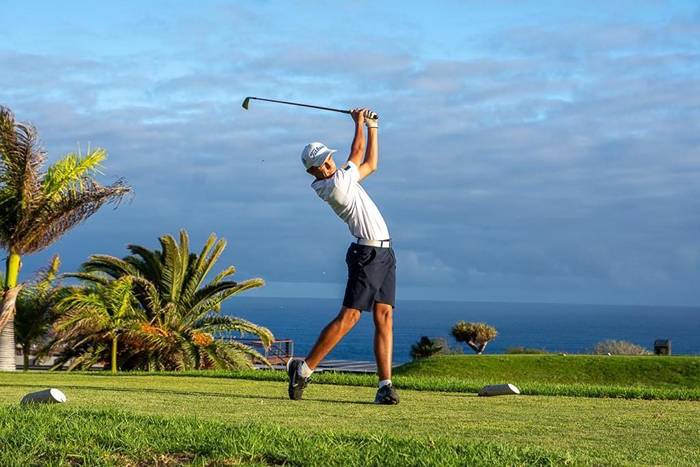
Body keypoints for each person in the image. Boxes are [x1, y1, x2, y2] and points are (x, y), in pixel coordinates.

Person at [287, 108, 399, 405]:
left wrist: (373, 125)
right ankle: (304, 369)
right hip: (367, 254)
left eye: (328, 158)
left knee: (384, 317)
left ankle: (385, 386)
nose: (327, 164)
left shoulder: (343, 178)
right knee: (349, 317)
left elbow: (371, 163)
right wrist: (358, 122)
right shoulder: (335, 184)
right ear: (312, 171)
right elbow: (358, 150)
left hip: (384, 253)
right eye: (320, 164)